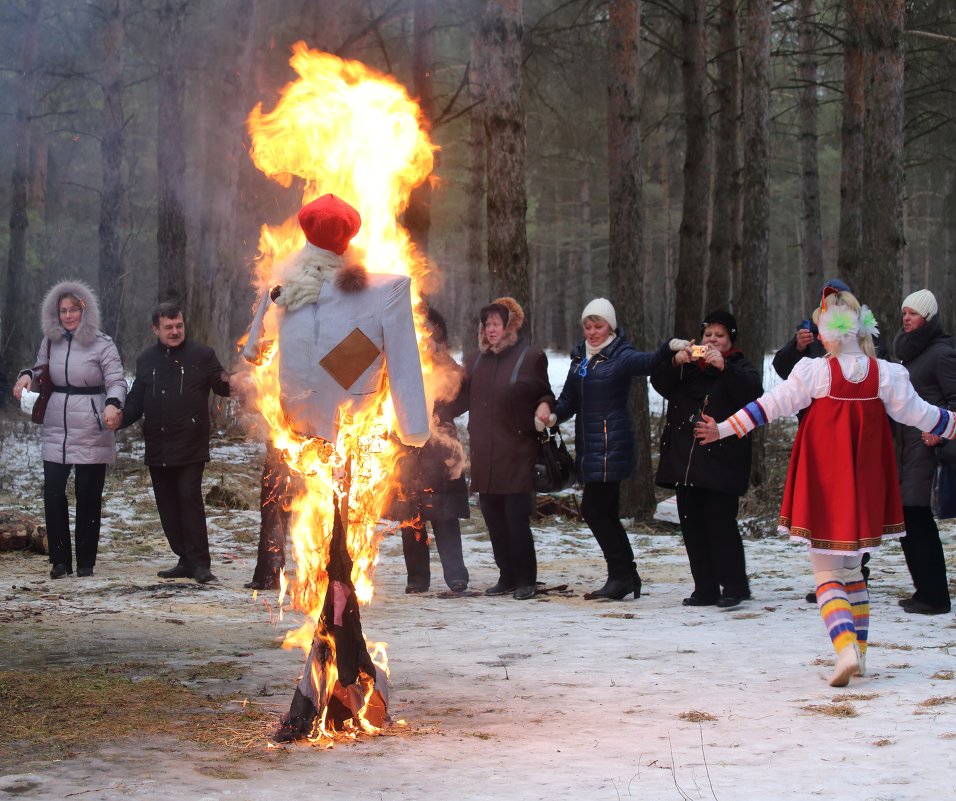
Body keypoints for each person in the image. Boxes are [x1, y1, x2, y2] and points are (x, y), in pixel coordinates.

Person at [696, 290, 956, 687]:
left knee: (826, 573)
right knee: (852, 571)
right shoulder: (884, 372)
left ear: (826, 330)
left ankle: (846, 648)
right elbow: (918, 414)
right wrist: (952, 423)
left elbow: (770, 405)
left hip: (824, 479)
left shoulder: (813, 372)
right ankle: (862, 656)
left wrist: (724, 428)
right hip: (866, 482)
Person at [242, 193, 430, 741]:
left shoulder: (285, 289)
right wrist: (413, 429)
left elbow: (253, 352)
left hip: (311, 432)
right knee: (336, 547)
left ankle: (340, 659)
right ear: (350, 238)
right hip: (339, 432)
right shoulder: (384, 289)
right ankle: (341, 667)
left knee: (338, 551)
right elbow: (406, 371)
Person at [552, 298, 688, 600]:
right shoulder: (580, 358)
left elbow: (649, 362)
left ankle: (620, 576)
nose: (592, 331)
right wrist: (552, 415)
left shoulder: (620, 355)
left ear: (610, 326)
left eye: (598, 325)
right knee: (606, 513)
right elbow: (568, 400)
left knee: (594, 510)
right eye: (588, 325)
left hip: (612, 446)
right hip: (591, 448)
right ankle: (627, 575)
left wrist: (670, 347)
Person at [772, 277, 876, 603]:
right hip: (820, 438)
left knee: (853, 515)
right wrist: (796, 346)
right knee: (828, 514)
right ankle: (833, 582)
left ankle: (846, 580)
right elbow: (783, 377)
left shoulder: (865, 355)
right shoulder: (814, 352)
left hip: (857, 444)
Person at [12, 280, 126, 579]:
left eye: (73, 309)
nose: (67, 315)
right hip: (56, 426)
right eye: (62, 310)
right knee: (52, 493)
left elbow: (116, 380)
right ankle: (60, 560)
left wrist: (114, 403)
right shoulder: (50, 341)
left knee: (88, 495)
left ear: (83, 310)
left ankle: (86, 562)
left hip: (91, 424)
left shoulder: (103, 343)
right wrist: (26, 376)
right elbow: (40, 371)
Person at [652, 310, 763, 608]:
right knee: (692, 526)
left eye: (720, 335)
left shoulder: (740, 365)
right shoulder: (689, 367)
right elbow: (659, 383)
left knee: (720, 524)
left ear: (731, 340)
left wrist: (724, 367)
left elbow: (754, 393)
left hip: (723, 460)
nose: (712, 340)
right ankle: (705, 587)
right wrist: (676, 361)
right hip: (685, 461)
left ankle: (736, 586)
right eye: (708, 335)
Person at [120, 302, 231, 584]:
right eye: (168, 327)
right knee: (167, 507)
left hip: (190, 443)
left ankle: (201, 564)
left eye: (179, 325)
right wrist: (119, 418)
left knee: (188, 499)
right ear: (155, 329)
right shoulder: (146, 359)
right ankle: (184, 558)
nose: (175, 331)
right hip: (158, 444)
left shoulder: (202, 355)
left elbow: (222, 384)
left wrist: (237, 381)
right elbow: (136, 399)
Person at [457, 297, 554, 601]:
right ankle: (507, 575)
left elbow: (546, 393)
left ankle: (526, 578)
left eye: (496, 324)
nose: (490, 329)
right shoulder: (474, 361)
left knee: (515, 518)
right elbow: (458, 398)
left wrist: (545, 405)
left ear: (510, 325)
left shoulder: (530, 357)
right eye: (487, 324)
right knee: (493, 517)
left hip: (516, 451)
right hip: (485, 454)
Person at [385, 308, 470, 594]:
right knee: (412, 516)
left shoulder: (448, 369)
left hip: (441, 450)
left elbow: (462, 396)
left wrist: (441, 357)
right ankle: (417, 578)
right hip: (406, 449)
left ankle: (456, 576)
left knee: (445, 515)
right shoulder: (401, 364)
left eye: (431, 335)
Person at [892, 289, 955, 615]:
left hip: (927, 450)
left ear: (927, 318)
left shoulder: (941, 353)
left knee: (918, 520)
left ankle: (935, 597)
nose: (906, 318)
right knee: (908, 520)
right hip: (905, 448)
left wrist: (941, 432)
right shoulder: (912, 355)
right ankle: (924, 591)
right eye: (904, 313)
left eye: (913, 313)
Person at [244, 443, 294, 591]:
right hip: (280, 455)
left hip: (293, 457)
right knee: (272, 512)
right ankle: (268, 573)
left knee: (274, 513)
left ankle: (270, 575)